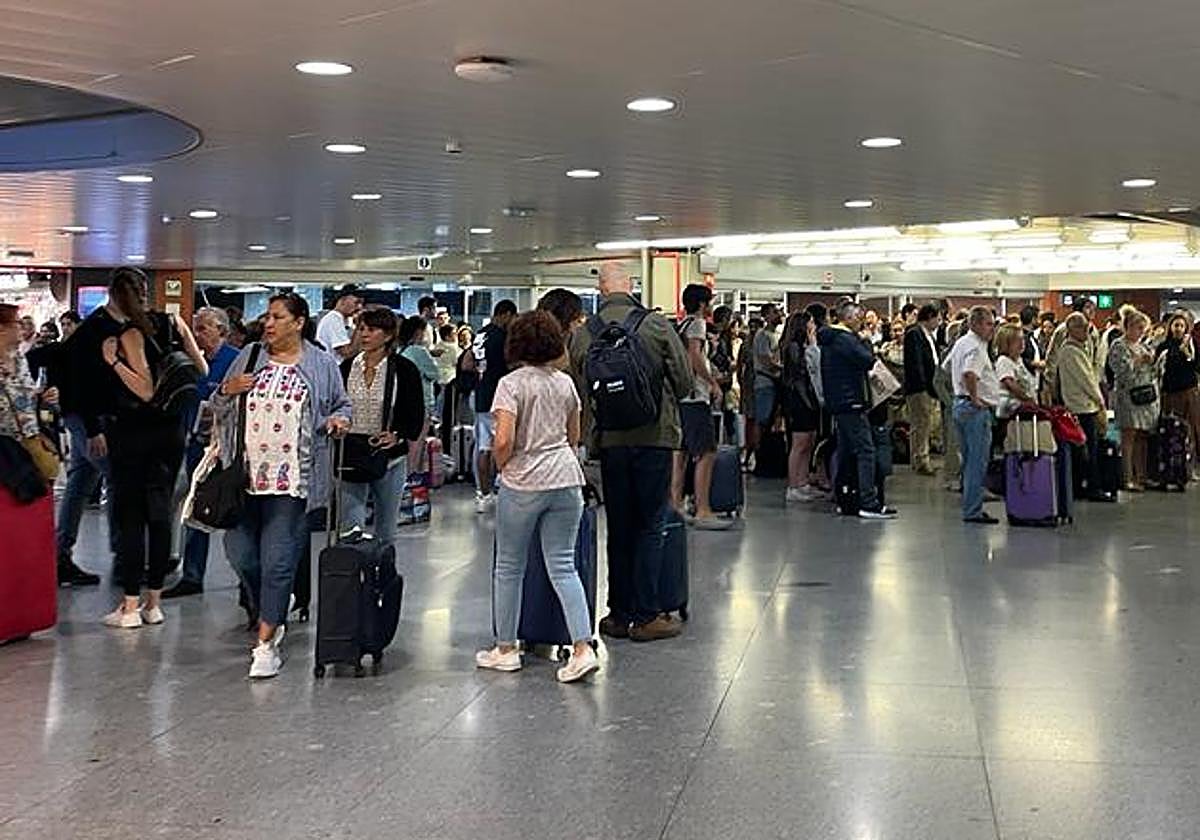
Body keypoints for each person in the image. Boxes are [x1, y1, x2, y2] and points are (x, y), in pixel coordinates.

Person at [215, 293, 351, 678]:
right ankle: (275, 604)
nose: (268, 324)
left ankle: (265, 643)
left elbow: (341, 405)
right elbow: (217, 401)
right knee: (241, 554)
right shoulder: (251, 356)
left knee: (277, 560)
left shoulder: (322, 364)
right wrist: (228, 390)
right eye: (266, 317)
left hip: (293, 481)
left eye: (277, 317)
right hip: (244, 477)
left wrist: (338, 421)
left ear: (299, 322)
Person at [568, 261, 692, 642]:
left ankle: (618, 614)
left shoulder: (585, 332)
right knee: (651, 523)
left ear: (602, 291)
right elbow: (684, 381)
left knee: (619, 526)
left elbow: (579, 388)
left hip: (609, 442)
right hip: (654, 438)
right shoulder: (655, 325)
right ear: (631, 287)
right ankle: (648, 613)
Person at [476, 310, 599, 682]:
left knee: (509, 567)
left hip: (524, 481)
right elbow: (574, 433)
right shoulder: (565, 383)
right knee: (563, 565)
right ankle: (581, 648)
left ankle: (506, 648)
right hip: (565, 478)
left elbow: (503, 440)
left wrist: (503, 466)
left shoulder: (510, 385)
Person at [99, 267, 208, 628]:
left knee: (132, 516)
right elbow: (201, 367)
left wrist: (114, 362)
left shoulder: (129, 333)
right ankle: (154, 603)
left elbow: (145, 389)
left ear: (115, 297)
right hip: (171, 432)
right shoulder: (174, 323)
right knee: (160, 514)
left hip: (135, 433)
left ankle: (129, 605)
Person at [163, 307, 242, 598]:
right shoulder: (192, 362)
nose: (198, 335)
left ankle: (245, 575)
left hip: (225, 448)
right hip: (194, 445)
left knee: (231, 510)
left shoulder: (235, 360)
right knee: (196, 507)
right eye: (195, 329)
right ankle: (192, 574)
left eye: (204, 328)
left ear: (221, 330)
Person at [339, 307, 424, 546]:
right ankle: (351, 579)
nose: (364, 334)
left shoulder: (404, 369)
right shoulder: (347, 367)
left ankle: (381, 575)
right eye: (361, 329)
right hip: (351, 452)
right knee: (350, 528)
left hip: (389, 456)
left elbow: (415, 411)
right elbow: (334, 403)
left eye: (372, 329)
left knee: (385, 529)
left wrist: (398, 435)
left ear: (387, 335)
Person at [818, 300, 897, 520]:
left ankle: (845, 498)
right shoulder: (845, 339)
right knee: (866, 450)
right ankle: (868, 502)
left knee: (846, 451)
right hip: (851, 401)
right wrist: (866, 342)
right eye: (859, 318)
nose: (861, 322)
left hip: (839, 401)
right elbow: (868, 360)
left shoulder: (830, 339)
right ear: (850, 318)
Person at [670, 284, 728, 529]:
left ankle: (675, 505)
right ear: (703, 304)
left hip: (680, 398)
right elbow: (695, 355)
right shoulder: (697, 324)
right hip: (695, 397)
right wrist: (712, 382)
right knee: (706, 451)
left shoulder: (678, 325)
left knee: (680, 453)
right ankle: (703, 509)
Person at [946, 306, 1001, 524]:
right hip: (973, 409)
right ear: (975, 324)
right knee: (977, 462)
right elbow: (970, 373)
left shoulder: (961, 343)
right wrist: (976, 398)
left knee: (969, 461)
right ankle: (973, 510)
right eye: (988, 324)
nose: (992, 329)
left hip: (960, 405)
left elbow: (946, 366)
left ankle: (971, 506)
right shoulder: (977, 348)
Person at [465, 300, 518, 513]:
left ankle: (483, 493)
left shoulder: (480, 334)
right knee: (504, 443)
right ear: (506, 314)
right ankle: (504, 488)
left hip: (480, 396)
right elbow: (511, 364)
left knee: (483, 447)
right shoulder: (502, 338)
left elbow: (466, 364)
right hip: (500, 397)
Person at [1106, 308, 1159, 492]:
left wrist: (1151, 361)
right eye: (1137, 328)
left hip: (1145, 397)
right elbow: (1119, 371)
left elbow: (1153, 371)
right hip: (1127, 397)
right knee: (1128, 438)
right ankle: (1127, 477)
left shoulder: (1144, 346)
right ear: (1127, 327)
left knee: (1142, 438)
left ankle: (1142, 475)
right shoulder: (1118, 346)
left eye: (1143, 329)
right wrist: (1136, 362)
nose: (1140, 332)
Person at [1056, 312, 1107, 500]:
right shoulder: (1070, 351)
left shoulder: (1079, 348)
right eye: (1081, 327)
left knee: (1085, 451)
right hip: (1081, 407)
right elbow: (1086, 380)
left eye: (1087, 327)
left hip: (1084, 405)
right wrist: (1100, 401)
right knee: (1086, 451)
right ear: (1071, 329)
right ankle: (1090, 488)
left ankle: (1084, 486)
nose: (1086, 330)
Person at [781, 310, 821, 502]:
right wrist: (808, 401)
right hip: (799, 400)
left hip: (807, 398)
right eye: (810, 323)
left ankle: (803, 482)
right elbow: (799, 376)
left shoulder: (802, 346)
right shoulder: (794, 348)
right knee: (799, 443)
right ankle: (793, 485)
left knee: (809, 442)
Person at [1157, 313, 1200, 474]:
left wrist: (1188, 354)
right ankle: (1171, 468)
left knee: (1191, 430)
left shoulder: (1192, 345)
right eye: (1176, 325)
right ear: (1170, 327)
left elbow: (1196, 367)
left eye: (1182, 326)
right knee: (1172, 429)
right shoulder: (1164, 346)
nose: (1178, 329)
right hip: (1170, 393)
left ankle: (1191, 468)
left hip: (1189, 391)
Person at [903, 304, 941, 476]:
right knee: (921, 424)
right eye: (937, 318)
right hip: (919, 387)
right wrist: (923, 386)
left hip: (928, 386)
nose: (939, 322)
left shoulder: (928, 336)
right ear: (930, 317)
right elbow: (915, 362)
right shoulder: (914, 334)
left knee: (924, 424)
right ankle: (921, 459)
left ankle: (920, 457)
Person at [398, 315, 439, 473]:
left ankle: (405, 479)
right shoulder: (419, 351)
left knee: (407, 445)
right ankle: (413, 479)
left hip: (405, 404)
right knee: (417, 445)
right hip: (421, 404)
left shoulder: (401, 350)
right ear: (418, 332)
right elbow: (434, 374)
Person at [994, 322, 1038, 450]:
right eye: (1017, 341)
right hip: (1009, 412)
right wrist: (1027, 399)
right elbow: (1010, 383)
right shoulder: (1004, 361)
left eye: (1022, 340)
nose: (1021, 344)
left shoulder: (1018, 361)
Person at [315, 286, 363, 360]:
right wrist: (360, 326)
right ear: (342, 301)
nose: (359, 307)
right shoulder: (334, 319)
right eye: (356, 303)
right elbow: (347, 352)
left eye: (361, 303)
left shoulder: (344, 320)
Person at [1018, 305, 1046, 395]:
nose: (1040, 322)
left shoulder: (1032, 337)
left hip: (1035, 382)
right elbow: (1018, 358)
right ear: (1033, 319)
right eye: (1038, 318)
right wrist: (1035, 363)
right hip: (1025, 383)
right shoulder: (1020, 337)